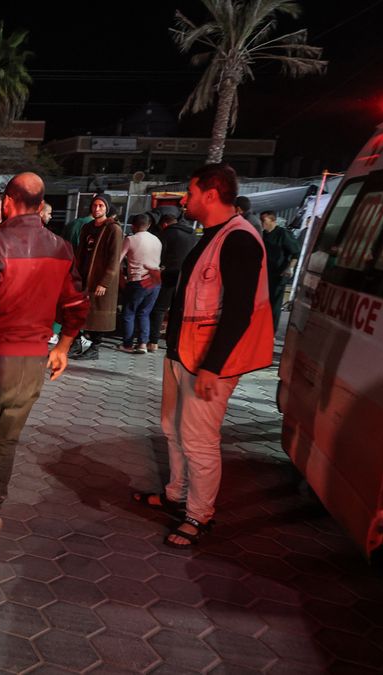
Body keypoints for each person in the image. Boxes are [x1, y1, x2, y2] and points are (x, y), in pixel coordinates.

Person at [0, 173, 89, 558]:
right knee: (6, 443)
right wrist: (62, 346)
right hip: (32, 364)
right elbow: (78, 305)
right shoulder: (61, 247)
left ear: (9, 201)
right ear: (41, 204)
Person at [134, 163, 273, 549]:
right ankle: (176, 494)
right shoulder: (214, 235)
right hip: (183, 352)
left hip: (207, 361)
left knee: (199, 440)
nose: (184, 200)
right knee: (171, 427)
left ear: (211, 194)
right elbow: (204, 279)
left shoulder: (241, 239)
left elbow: (240, 310)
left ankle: (199, 516)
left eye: (190, 193)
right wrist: (168, 277)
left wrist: (214, 367)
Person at [74, 194, 123, 358]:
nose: (97, 209)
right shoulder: (88, 227)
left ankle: (95, 348)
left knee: (98, 313)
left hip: (100, 278)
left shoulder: (113, 229)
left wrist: (105, 282)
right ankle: (79, 343)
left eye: (101, 206)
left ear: (107, 208)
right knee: (83, 311)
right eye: (95, 205)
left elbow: (114, 258)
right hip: (85, 275)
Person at [148, 214, 198, 351]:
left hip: (169, 275)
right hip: (186, 276)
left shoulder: (168, 233)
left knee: (159, 308)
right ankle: (175, 341)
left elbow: (159, 254)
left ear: (164, 224)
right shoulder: (192, 234)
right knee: (178, 310)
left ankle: (153, 342)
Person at [118, 214, 162, 354]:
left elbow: (118, 259)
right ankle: (143, 344)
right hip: (155, 280)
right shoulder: (157, 240)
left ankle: (128, 344)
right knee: (144, 313)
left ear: (133, 226)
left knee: (129, 312)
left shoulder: (130, 239)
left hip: (138, 279)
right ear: (148, 226)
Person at [260, 210, 301, 331]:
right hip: (265, 275)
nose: (262, 223)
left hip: (278, 275)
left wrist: (290, 267)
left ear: (273, 220)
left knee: (274, 305)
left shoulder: (283, 234)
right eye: (261, 220)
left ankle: (271, 331)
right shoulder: (263, 235)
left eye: (264, 221)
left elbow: (296, 252)